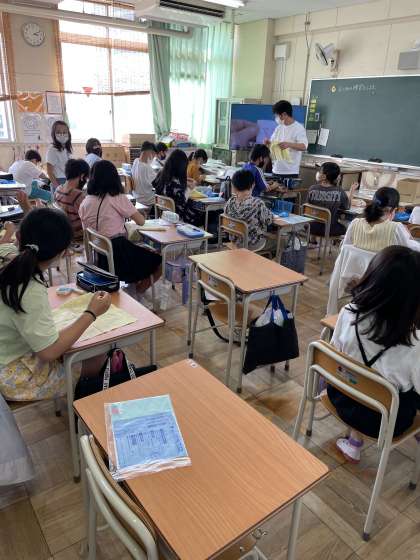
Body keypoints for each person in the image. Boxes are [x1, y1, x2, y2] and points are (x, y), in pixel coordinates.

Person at [0, 207, 111, 401]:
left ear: (18, 237)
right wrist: (91, 313)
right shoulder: (29, 289)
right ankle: (84, 410)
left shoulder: (6, 256)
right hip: (12, 375)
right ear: (64, 252)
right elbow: (49, 352)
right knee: (97, 356)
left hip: (8, 352)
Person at [328, 246, 420, 463]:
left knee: (363, 373)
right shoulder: (415, 341)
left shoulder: (348, 312)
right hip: (387, 422)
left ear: (372, 277)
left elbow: (334, 352)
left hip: (342, 397)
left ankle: (354, 442)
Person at [79, 160, 162, 293]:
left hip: (100, 258)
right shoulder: (116, 197)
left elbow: (86, 233)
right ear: (114, 178)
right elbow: (141, 222)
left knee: (135, 247)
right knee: (159, 261)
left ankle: (133, 289)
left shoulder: (85, 202)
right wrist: (139, 213)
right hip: (119, 256)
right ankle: (137, 292)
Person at [342, 187, 420, 252]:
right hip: (383, 266)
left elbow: (344, 249)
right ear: (394, 209)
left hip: (355, 266)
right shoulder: (395, 228)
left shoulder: (355, 223)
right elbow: (414, 250)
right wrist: (410, 238)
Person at [225, 169, 273, 251]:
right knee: (282, 240)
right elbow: (268, 221)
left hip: (235, 242)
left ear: (234, 186)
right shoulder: (257, 203)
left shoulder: (230, 202)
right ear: (253, 185)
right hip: (253, 245)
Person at [152, 149, 203, 226]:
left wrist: (184, 182)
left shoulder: (161, 175)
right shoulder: (177, 185)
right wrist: (189, 190)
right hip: (178, 218)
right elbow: (181, 207)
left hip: (164, 216)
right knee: (209, 214)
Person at [307, 162, 357, 237]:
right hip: (329, 229)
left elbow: (308, 207)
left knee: (317, 218)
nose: (318, 173)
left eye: (320, 171)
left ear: (324, 176)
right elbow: (347, 207)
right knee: (346, 226)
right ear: (337, 177)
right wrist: (352, 191)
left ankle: (312, 239)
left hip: (310, 226)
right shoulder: (339, 191)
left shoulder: (312, 189)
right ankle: (330, 243)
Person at [266, 100, 308, 182]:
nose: (276, 118)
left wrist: (289, 144)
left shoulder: (298, 128)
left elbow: (304, 146)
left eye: (277, 115)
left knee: (287, 191)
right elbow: (272, 143)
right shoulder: (279, 128)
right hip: (276, 169)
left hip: (290, 172)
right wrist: (268, 143)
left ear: (284, 114)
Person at [54, 158, 89, 241]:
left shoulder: (58, 189)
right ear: (82, 176)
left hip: (64, 233)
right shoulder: (78, 195)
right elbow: (90, 218)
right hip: (79, 235)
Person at [46, 121, 73, 189]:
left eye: (64, 132)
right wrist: (58, 187)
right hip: (59, 181)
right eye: (58, 132)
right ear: (53, 134)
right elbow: (49, 172)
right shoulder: (52, 149)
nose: (62, 134)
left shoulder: (67, 149)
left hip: (68, 180)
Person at [131, 141, 157, 208]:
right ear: (149, 152)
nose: (153, 158)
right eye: (153, 155)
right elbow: (157, 182)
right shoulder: (146, 167)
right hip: (147, 200)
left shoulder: (135, 161)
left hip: (136, 197)